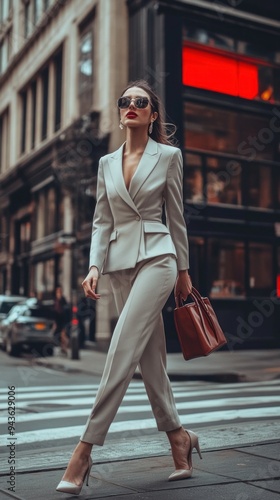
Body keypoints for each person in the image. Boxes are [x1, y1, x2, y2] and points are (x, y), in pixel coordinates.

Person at [56, 80, 202, 495]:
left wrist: (184, 269)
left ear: (153, 115)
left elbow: (176, 216)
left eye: (142, 102)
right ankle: (180, 439)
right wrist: (94, 266)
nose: (133, 106)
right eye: (126, 101)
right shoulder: (105, 163)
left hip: (159, 258)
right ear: (120, 113)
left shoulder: (169, 157)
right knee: (149, 357)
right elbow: (102, 221)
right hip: (119, 265)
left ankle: (83, 449)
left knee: (121, 345)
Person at [53, 286, 69, 355]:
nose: (58, 293)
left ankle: (65, 348)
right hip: (58, 321)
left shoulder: (63, 300)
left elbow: (66, 310)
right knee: (60, 336)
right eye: (57, 292)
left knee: (63, 335)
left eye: (59, 292)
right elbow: (54, 312)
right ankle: (63, 348)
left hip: (64, 321)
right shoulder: (55, 301)